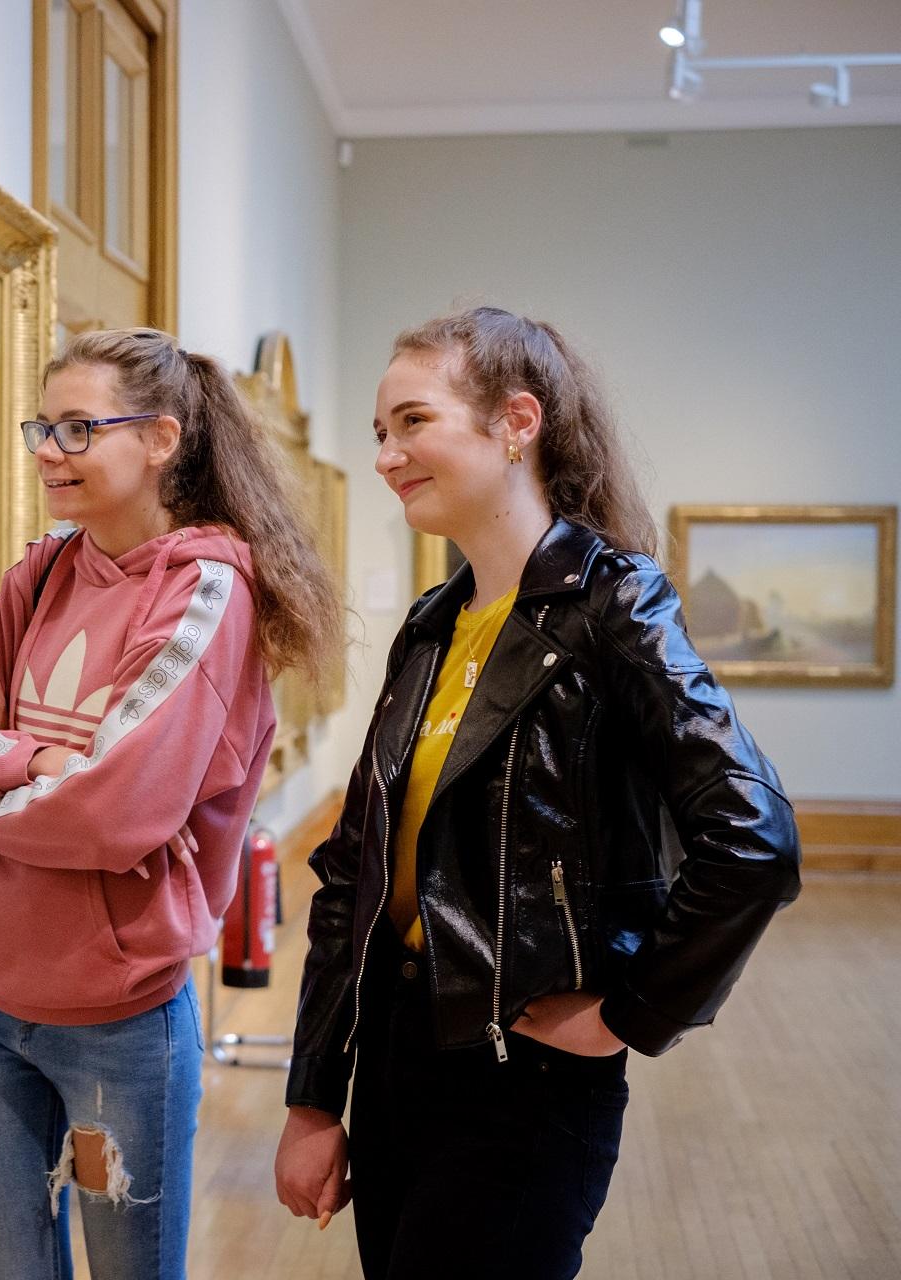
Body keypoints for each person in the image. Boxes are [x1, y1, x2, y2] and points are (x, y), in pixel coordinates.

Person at [275, 307, 802, 1280]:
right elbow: (355, 868)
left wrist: (627, 1014)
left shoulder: (616, 605)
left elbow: (754, 838)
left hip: (525, 1079)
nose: (389, 454)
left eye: (413, 421)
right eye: (379, 432)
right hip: (397, 1056)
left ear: (518, 421)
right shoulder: (433, 624)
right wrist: (315, 1093)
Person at [0, 327, 341, 1280]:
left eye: (79, 428)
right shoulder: (47, 567)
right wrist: (34, 758)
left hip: (118, 1019)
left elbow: (113, 811)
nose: (50, 451)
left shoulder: (206, 591)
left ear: (163, 440)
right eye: (43, 428)